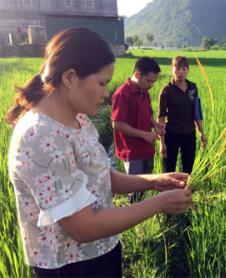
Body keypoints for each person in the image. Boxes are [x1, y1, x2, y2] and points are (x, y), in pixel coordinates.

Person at [6, 28, 192, 278]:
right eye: (102, 83)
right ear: (70, 77)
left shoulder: (79, 119)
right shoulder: (40, 136)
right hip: (69, 267)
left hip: (103, 250)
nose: (106, 94)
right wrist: (160, 203)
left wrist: (154, 181)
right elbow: (84, 227)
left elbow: (101, 176)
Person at [112, 57, 164, 203]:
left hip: (147, 148)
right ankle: (133, 221)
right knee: (134, 188)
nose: (151, 85)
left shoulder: (144, 92)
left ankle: (141, 217)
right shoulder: (123, 93)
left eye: (154, 81)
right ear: (137, 74)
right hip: (132, 151)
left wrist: (154, 124)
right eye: (149, 81)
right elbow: (117, 124)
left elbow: (147, 114)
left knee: (146, 186)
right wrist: (144, 134)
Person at [158, 56, 207, 174]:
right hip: (172, 134)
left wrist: (201, 133)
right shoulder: (167, 90)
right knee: (169, 169)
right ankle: (169, 192)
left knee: (188, 169)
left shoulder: (192, 87)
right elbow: (161, 117)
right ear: (172, 69)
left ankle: (183, 191)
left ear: (188, 70)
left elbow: (196, 112)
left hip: (189, 133)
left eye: (184, 69)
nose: (181, 72)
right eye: (178, 69)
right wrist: (162, 142)